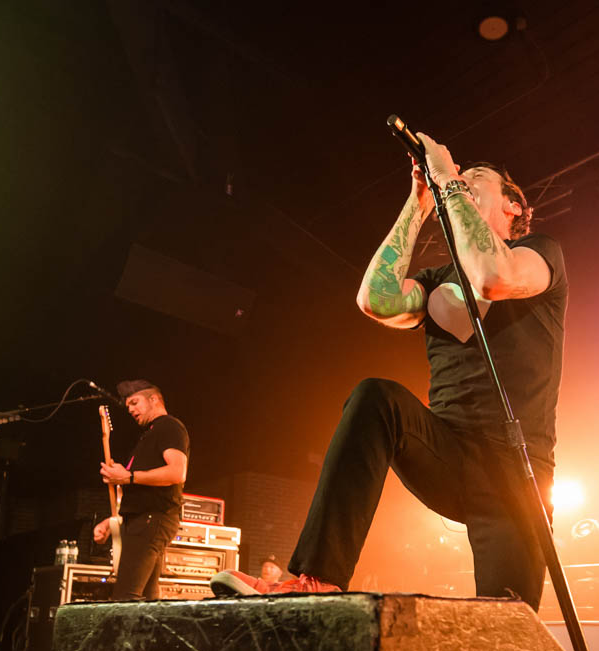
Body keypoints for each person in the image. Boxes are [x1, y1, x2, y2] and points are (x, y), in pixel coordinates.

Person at [210, 132, 566, 610]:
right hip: (449, 453)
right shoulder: (436, 281)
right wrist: (418, 202)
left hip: (515, 477)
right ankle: (317, 578)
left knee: (509, 628)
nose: (463, 181)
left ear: (513, 206)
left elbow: (493, 277)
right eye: (461, 178)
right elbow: (374, 300)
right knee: (375, 397)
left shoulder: (539, 253)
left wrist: (448, 177)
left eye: (476, 178)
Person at [94, 380, 190, 600]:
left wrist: (129, 477)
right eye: (128, 405)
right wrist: (111, 522)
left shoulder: (169, 426)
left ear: (153, 399)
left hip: (152, 519)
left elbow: (177, 472)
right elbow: (138, 494)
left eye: (135, 402)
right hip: (146, 519)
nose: (130, 409)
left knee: (125, 597)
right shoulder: (150, 435)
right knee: (147, 599)